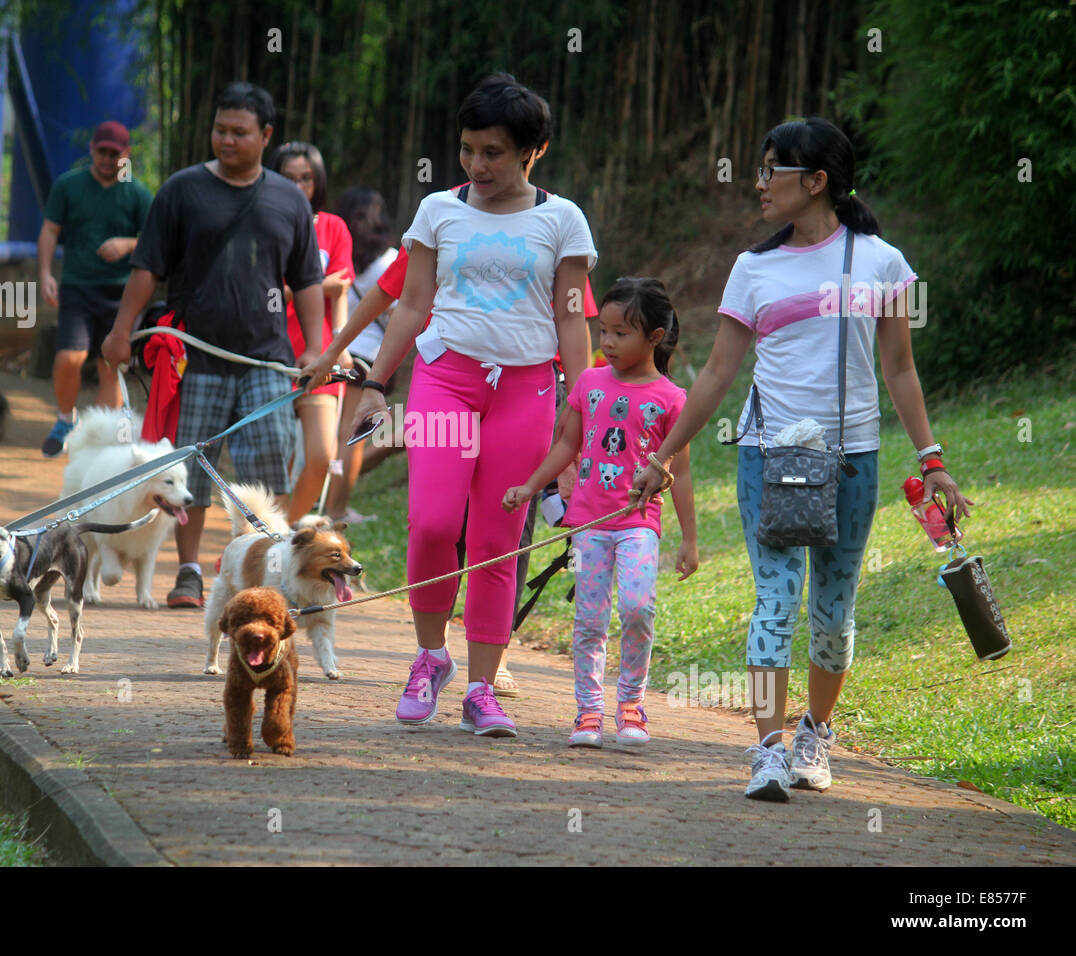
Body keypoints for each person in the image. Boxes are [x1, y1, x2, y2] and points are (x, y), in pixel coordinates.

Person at [632, 117, 973, 800]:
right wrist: (665, 454)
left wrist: (931, 459)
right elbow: (717, 375)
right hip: (770, 456)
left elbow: (900, 371)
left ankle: (816, 732)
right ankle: (766, 748)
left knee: (834, 611)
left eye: (772, 170)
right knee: (775, 601)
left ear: (816, 181)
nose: (758, 183)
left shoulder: (880, 262)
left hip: (853, 460)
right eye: (759, 169)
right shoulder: (753, 268)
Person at [341, 73, 596, 737]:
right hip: (444, 380)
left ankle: (482, 688)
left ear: (532, 152)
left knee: (495, 540)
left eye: (493, 153)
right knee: (429, 523)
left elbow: (573, 322)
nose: (477, 165)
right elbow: (412, 306)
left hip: (528, 390)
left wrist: (584, 411)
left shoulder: (562, 220)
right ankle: (431, 656)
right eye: (467, 149)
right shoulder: (438, 212)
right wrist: (375, 383)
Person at [100, 82, 326, 609]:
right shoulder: (181, 191)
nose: (227, 139)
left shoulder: (288, 199)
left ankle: (268, 572)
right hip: (192, 356)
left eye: (239, 132)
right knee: (190, 467)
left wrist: (317, 349)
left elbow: (309, 280)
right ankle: (188, 572)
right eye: (220, 129)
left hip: (265, 360)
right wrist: (120, 330)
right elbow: (147, 267)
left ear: (266, 136)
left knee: (268, 469)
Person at [504, 277, 697, 747]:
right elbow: (567, 443)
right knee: (590, 619)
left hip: (638, 525)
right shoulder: (588, 383)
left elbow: (683, 474)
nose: (606, 342)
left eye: (619, 333)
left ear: (654, 337)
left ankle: (631, 704)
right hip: (588, 527)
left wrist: (689, 540)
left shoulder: (672, 399)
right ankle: (588, 712)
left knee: (636, 608)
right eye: (604, 330)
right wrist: (531, 486)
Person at [37, 121, 154, 457]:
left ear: (126, 154)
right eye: (101, 151)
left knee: (110, 364)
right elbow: (49, 230)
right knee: (68, 357)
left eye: (114, 153)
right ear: (91, 149)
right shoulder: (69, 186)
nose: (106, 158)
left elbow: (155, 240)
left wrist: (127, 244)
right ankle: (64, 418)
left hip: (122, 292)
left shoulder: (137, 192)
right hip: (77, 285)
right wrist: (45, 272)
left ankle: (103, 439)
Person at [271, 141, 354, 522]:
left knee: (321, 456)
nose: (298, 185)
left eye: (306, 178)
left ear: (317, 181)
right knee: (274, 464)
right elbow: (265, 297)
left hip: (317, 353)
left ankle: (279, 535)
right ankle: (255, 542)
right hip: (267, 353)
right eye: (288, 178)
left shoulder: (334, 227)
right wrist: (315, 286)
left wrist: (339, 343)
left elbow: (343, 291)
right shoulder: (262, 220)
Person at [324, 187, 397, 524]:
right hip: (367, 359)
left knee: (334, 431)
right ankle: (336, 509)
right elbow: (398, 315)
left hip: (336, 352)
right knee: (351, 435)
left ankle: (322, 500)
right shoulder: (390, 260)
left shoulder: (338, 255)